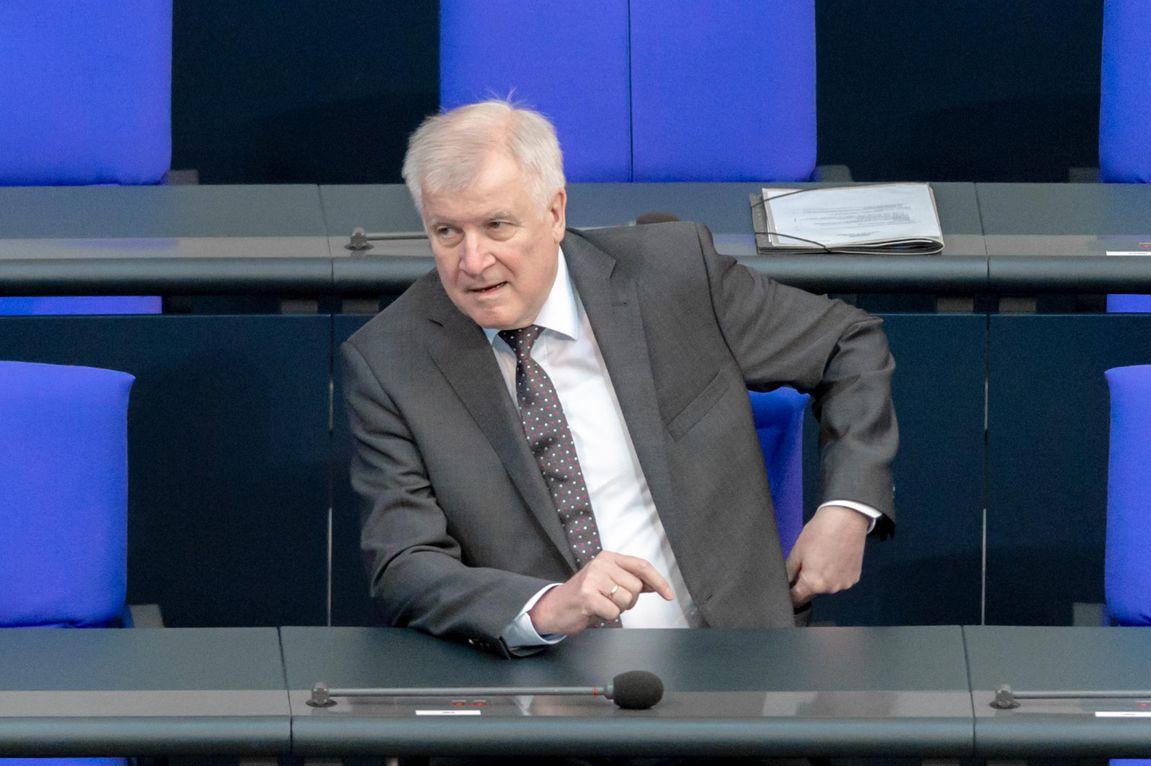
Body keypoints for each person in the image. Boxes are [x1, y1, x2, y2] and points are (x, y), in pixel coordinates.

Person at [341, 100, 897, 656]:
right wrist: (544, 607)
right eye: (446, 232)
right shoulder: (390, 361)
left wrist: (848, 507)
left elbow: (846, 343)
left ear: (554, 212)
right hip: (549, 683)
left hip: (737, 662)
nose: (473, 261)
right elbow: (404, 563)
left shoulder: (672, 274)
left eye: (496, 226)